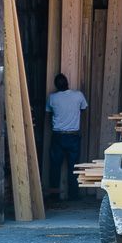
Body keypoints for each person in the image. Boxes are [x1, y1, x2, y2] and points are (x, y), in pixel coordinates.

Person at [46, 73, 88, 201]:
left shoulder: (52, 98)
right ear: (67, 82)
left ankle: (54, 195)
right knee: (73, 167)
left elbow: (49, 114)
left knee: (55, 167)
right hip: (73, 136)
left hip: (58, 136)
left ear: (56, 86)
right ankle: (73, 196)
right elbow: (84, 109)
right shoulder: (78, 95)